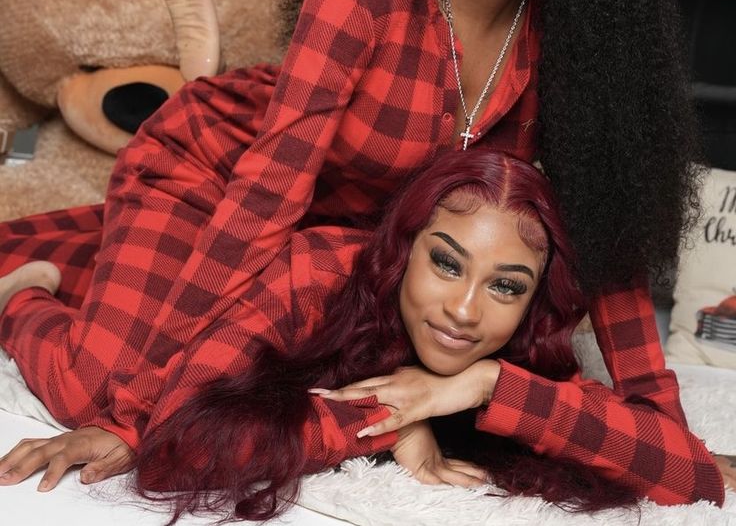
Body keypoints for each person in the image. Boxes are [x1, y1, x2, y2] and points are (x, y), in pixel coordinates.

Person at [0, 0, 729, 502]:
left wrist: (667, 431)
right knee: (96, 393)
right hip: (222, 177)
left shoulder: (579, 24)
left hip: (365, 243)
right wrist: (130, 413)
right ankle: (28, 289)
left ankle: (101, 256)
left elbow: (604, 218)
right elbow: (265, 196)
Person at [0, 150, 721, 523]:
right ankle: (27, 292)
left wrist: (486, 385)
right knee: (84, 388)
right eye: (445, 261)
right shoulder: (319, 268)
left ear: (534, 301)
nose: (466, 310)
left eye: (505, 285)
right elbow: (177, 447)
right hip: (201, 244)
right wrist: (387, 423)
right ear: (404, 245)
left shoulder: (513, 356)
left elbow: (694, 477)